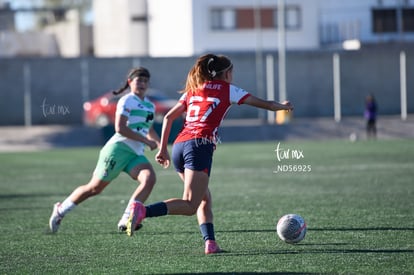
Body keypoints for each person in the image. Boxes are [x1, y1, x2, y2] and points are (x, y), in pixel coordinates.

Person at [125, 53, 293, 254]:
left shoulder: (193, 90)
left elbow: (169, 117)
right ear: (226, 73)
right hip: (199, 146)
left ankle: (210, 243)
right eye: (232, 71)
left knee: (204, 199)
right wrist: (283, 106)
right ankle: (143, 210)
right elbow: (267, 105)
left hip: (180, 145)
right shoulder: (229, 90)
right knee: (190, 205)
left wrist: (162, 149)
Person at [49, 67, 160, 233]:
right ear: (130, 82)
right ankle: (61, 209)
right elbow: (120, 128)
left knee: (149, 179)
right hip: (117, 150)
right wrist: (146, 141)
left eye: (145, 81)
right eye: (139, 80)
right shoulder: (126, 101)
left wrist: (160, 146)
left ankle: (128, 216)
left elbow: (149, 128)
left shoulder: (150, 106)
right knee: (95, 188)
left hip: (135, 154)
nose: (143, 83)